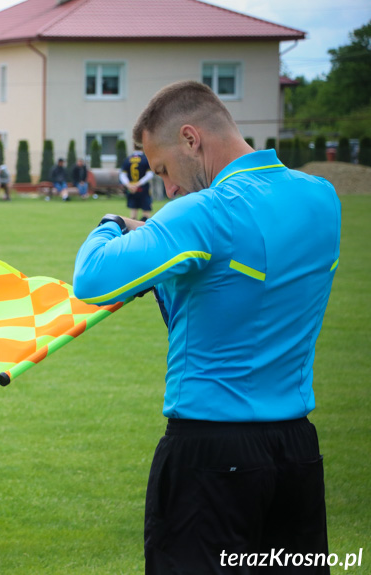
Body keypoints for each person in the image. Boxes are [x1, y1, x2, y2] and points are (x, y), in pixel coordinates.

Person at [73, 80, 340, 574]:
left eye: (164, 170)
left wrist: (112, 222)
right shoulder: (321, 198)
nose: (168, 189)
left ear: (192, 139)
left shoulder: (205, 212)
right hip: (296, 455)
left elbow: (92, 279)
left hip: (209, 457)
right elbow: (241, 279)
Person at [120, 143, 154, 220]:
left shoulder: (128, 159)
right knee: (146, 214)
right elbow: (149, 175)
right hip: (143, 189)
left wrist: (129, 185)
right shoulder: (145, 159)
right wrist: (138, 184)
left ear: (133, 147)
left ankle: (133, 231)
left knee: (133, 214)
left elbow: (122, 175)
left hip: (132, 190)